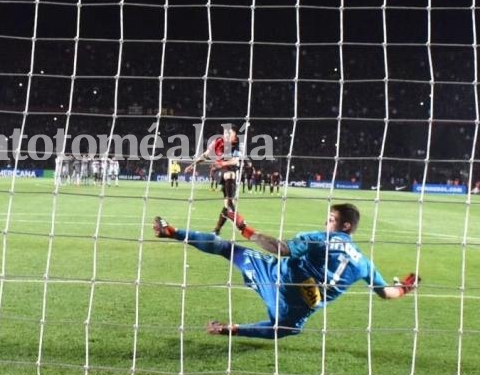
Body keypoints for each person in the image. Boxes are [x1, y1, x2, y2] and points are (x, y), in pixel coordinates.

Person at [152, 203, 419, 339]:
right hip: (297, 305)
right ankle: (227, 329)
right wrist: (405, 287)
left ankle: (173, 232)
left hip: (279, 274)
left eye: (330, 220)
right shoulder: (363, 262)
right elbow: (386, 293)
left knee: (228, 249)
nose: (325, 223)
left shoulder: (320, 238)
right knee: (285, 329)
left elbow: (280, 247)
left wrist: (246, 229)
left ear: (345, 226)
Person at [185, 123, 241, 235]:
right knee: (229, 175)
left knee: (227, 204)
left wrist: (224, 163)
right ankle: (232, 209)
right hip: (218, 171)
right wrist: (192, 165)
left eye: (229, 133)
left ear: (235, 135)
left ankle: (217, 230)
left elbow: (236, 161)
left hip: (230, 173)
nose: (226, 134)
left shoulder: (238, 144)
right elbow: (205, 155)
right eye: (225, 132)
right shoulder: (217, 142)